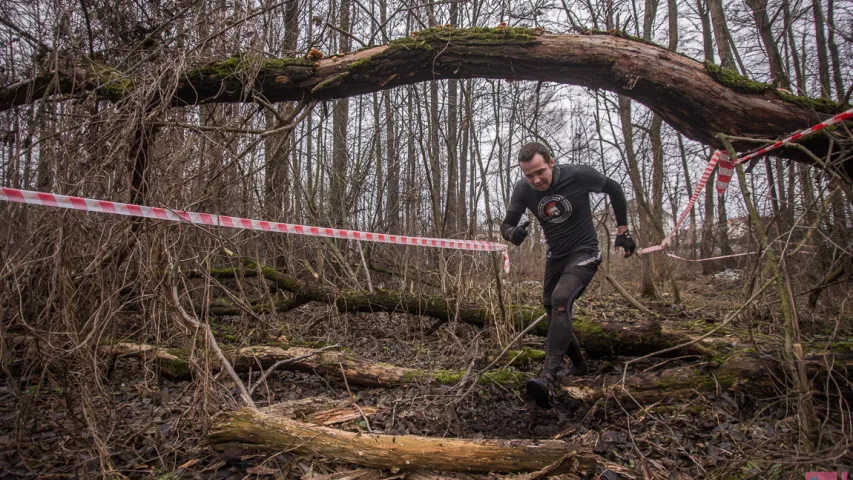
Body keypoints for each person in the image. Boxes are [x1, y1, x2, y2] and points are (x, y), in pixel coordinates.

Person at [500, 142, 636, 408]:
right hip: (556, 256)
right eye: (529, 175)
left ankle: (548, 375)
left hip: (584, 251)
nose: (536, 180)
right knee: (552, 309)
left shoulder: (578, 175)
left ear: (551, 162)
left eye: (540, 172)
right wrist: (512, 234)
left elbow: (615, 188)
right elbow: (507, 224)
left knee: (561, 299)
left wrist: (623, 232)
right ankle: (579, 365)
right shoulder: (523, 189)